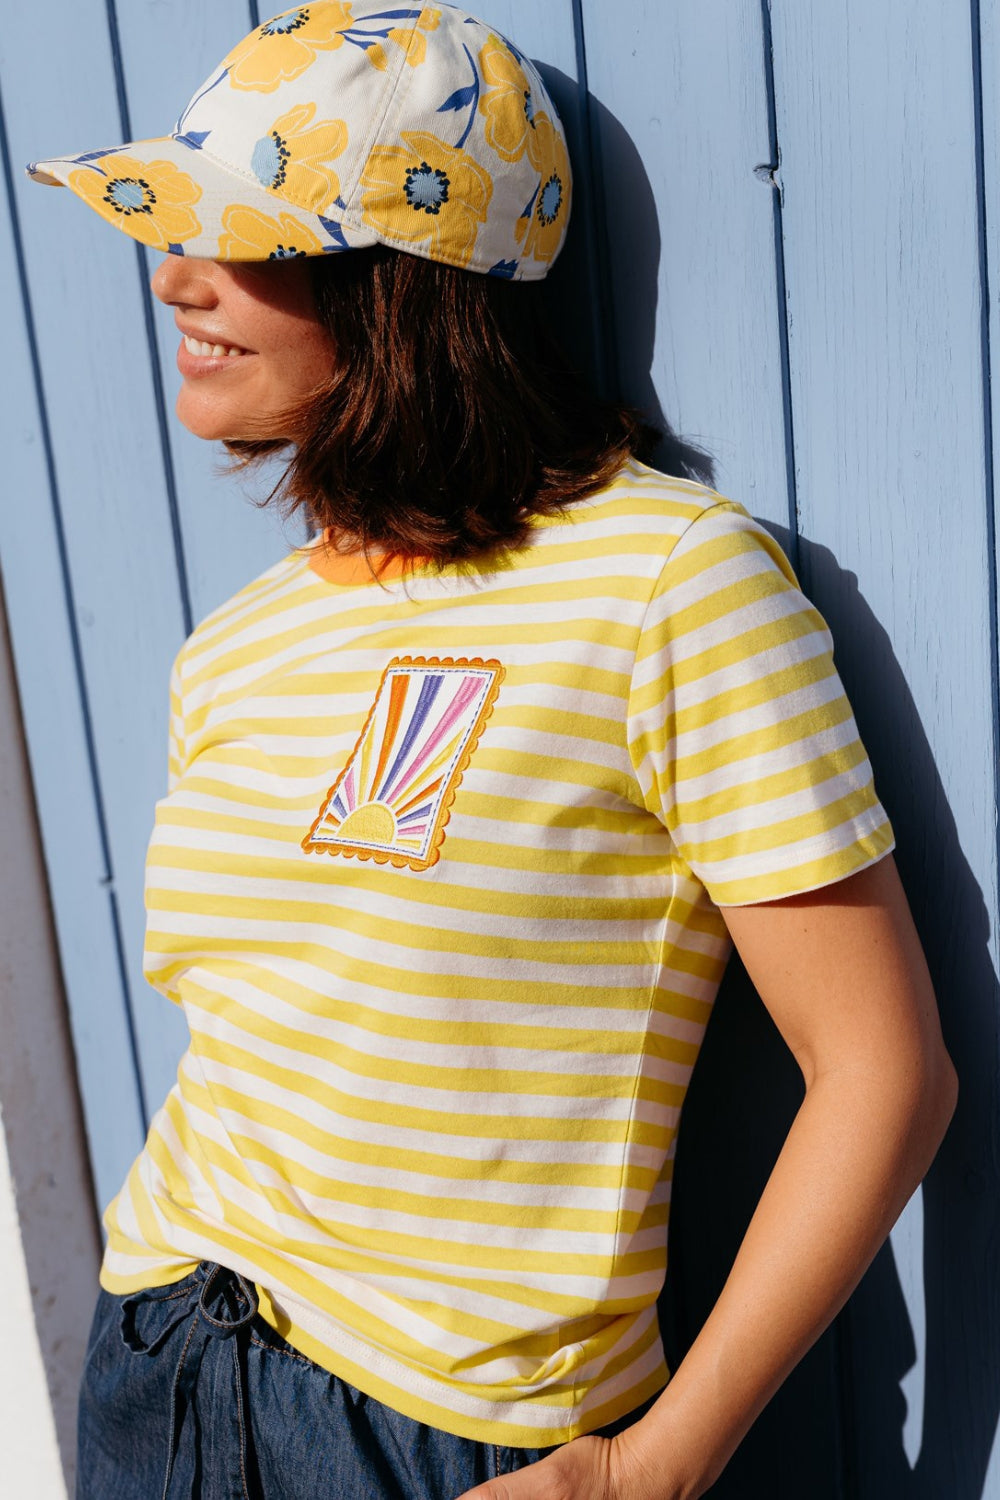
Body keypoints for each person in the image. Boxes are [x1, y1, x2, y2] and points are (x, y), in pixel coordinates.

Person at [28, 4, 956, 1498]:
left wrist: (651, 1469)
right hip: (162, 1368)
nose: (170, 277)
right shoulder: (240, 642)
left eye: (240, 235)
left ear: (406, 283)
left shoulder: (669, 586)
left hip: (435, 1435)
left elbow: (883, 1071)